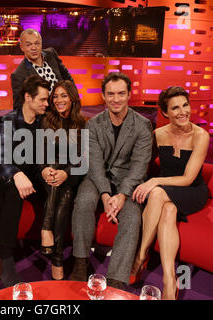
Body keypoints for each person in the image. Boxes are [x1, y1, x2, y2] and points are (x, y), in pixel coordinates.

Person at [70, 72, 152, 290]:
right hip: (100, 176)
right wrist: (106, 195)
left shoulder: (143, 125)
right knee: (85, 199)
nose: (116, 99)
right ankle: (80, 262)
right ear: (103, 96)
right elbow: (95, 163)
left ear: (129, 95)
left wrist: (123, 195)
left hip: (128, 180)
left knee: (133, 216)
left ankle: (117, 277)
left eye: (121, 94)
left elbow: (139, 166)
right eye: (111, 94)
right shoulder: (94, 124)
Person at [130, 86, 209, 300]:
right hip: (166, 193)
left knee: (156, 194)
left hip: (192, 190)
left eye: (185, 105)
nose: (183, 111)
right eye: (175, 108)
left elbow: (188, 179)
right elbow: (140, 162)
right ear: (165, 113)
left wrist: (154, 181)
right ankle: (169, 279)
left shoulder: (201, 135)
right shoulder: (157, 135)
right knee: (168, 210)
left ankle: (140, 256)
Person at [0, 75, 50, 290]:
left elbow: (45, 155)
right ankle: (3, 258)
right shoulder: (7, 120)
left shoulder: (45, 121)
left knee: (4, 194)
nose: (46, 104)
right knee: (4, 192)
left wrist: (47, 170)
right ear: (28, 97)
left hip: (32, 176)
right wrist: (16, 174)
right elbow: (1, 156)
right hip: (6, 175)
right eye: (42, 99)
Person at [39, 80, 86, 280]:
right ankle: (57, 259)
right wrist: (44, 170)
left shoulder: (83, 124)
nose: (59, 100)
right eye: (55, 96)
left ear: (72, 98)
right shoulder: (47, 121)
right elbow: (39, 155)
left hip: (72, 174)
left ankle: (47, 228)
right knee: (61, 190)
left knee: (65, 190)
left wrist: (66, 172)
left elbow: (83, 160)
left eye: (63, 95)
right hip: (48, 175)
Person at [11, 28, 74, 110]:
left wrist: (74, 99)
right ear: (22, 47)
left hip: (66, 108)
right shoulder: (19, 74)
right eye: (29, 45)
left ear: (41, 44)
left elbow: (67, 77)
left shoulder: (51, 53)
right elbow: (18, 106)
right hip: (45, 116)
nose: (34, 48)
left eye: (37, 43)